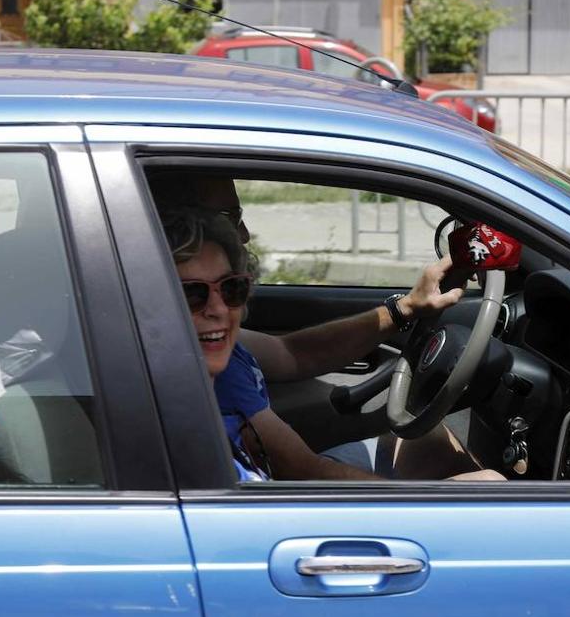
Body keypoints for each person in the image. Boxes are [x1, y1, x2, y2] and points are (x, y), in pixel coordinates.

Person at [162, 205, 501, 483]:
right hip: (288, 522)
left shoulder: (212, 353)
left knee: (433, 441)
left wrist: (405, 308)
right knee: (491, 492)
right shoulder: (200, 390)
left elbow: (293, 353)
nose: (219, 308)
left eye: (232, 288)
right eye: (193, 294)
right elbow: (302, 471)